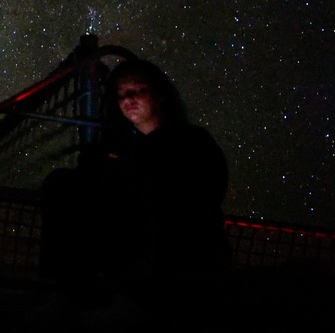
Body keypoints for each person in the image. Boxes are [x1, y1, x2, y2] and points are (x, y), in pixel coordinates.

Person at [39, 58, 231, 314]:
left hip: (179, 258)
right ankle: (75, 283)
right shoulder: (120, 148)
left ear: (160, 94)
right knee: (60, 181)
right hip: (131, 258)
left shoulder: (192, 143)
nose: (127, 100)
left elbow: (199, 199)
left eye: (137, 91)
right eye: (120, 95)